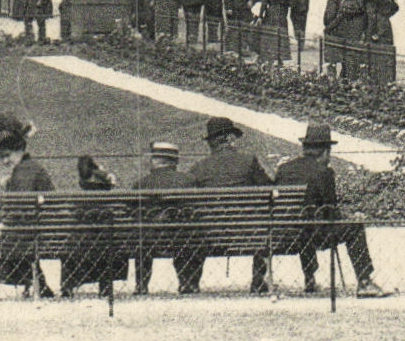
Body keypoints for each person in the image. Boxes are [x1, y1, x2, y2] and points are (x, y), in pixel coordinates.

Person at [272, 124, 388, 297]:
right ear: (325, 151)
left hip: (284, 233)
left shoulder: (284, 169)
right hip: (313, 235)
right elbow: (330, 210)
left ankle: (310, 279)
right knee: (354, 228)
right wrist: (348, 218)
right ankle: (364, 282)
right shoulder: (324, 172)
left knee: (304, 222)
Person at [0, 114, 54, 300]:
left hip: (32, 232)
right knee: (7, 244)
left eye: (7, 155)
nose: (5, 161)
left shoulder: (23, 173)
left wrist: (4, 226)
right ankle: (38, 286)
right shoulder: (31, 168)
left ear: (20, 149)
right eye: (2, 157)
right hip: (42, 229)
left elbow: (19, 208)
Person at [188, 116, 270, 293]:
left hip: (209, 233)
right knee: (263, 223)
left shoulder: (198, 168)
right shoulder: (249, 162)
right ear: (230, 139)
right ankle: (258, 280)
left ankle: (190, 282)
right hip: (248, 232)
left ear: (212, 143)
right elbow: (268, 188)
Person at [133, 140, 201, 295]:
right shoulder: (188, 181)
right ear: (175, 161)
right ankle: (188, 283)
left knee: (141, 236)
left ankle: (141, 285)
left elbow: (133, 213)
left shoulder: (141, 184)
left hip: (150, 239)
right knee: (190, 232)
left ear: (155, 160)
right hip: (183, 238)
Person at [58, 154, 128, 298]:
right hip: (109, 252)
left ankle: (67, 286)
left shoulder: (78, 204)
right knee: (106, 243)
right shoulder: (111, 204)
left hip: (79, 253)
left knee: (74, 245)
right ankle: (105, 287)